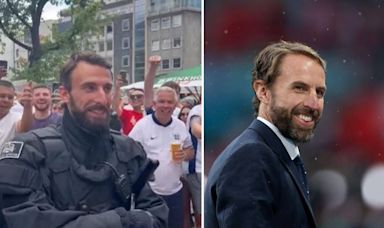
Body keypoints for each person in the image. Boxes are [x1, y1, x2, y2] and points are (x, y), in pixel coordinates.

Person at [0, 52, 168, 228]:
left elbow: (156, 213)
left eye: (107, 88)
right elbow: (25, 220)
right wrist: (123, 220)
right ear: (65, 94)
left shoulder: (127, 149)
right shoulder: (29, 151)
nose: (102, 98)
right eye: (90, 88)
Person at [204, 41, 327, 228]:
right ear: (263, 91)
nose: (313, 103)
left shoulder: (273, 154)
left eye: (319, 92)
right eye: (299, 88)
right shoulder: (251, 158)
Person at [128, 86, 194, 228]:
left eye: (170, 102)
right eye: (162, 101)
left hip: (175, 191)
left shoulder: (180, 126)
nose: (166, 105)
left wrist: (184, 154)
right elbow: (128, 153)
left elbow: (190, 151)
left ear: (175, 105)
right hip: (150, 193)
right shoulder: (142, 126)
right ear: (154, 104)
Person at [0, 80, 33, 146]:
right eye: (2, 96)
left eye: (10, 97)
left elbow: (24, 128)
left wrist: (28, 106)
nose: (6, 100)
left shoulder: (16, 118)